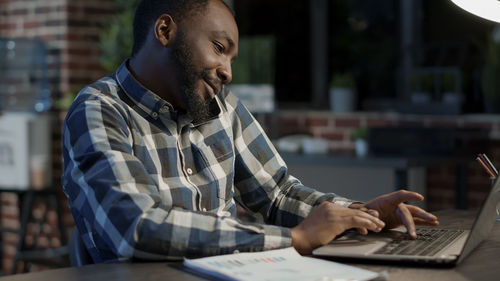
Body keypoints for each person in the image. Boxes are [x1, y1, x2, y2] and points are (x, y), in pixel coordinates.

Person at [62, 0, 438, 263]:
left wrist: (358, 214)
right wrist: (295, 239)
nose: (228, 71)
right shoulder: (99, 109)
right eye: (219, 48)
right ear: (164, 30)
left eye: (231, 58)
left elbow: (275, 194)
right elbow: (136, 227)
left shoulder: (222, 107)